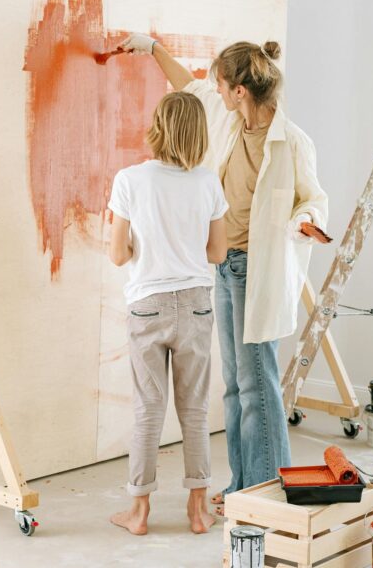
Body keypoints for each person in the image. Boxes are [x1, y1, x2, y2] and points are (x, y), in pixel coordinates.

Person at [121, 33, 328, 513]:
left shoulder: (292, 142)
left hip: (260, 270)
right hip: (225, 266)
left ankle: (265, 489)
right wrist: (152, 49)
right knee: (235, 387)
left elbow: (313, 198)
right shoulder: (228, 118)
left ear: (240, 90)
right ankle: (243, 484)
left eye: (221, 83)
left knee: (258, 381)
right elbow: (187, 86)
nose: (213, 89)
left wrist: (307, 222)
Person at [107, 91, 229, 535]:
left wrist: (146, 245)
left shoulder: (130, 179)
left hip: (147, 305)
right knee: (194, 411)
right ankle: (198, 511)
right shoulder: (208, 182)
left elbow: (118, 254)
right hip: (195, 302)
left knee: (148, 409)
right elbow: (217, 252)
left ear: (157, 126)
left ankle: (138, 513)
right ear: (199, 133)